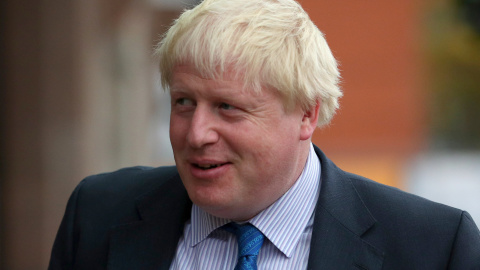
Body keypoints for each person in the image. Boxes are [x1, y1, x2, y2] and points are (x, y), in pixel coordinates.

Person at [49, 0, 480, 269]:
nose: (197, 133)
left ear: (307, 115)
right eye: (183, 102)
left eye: (227, 107)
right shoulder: (99, 215)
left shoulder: (434, 247)